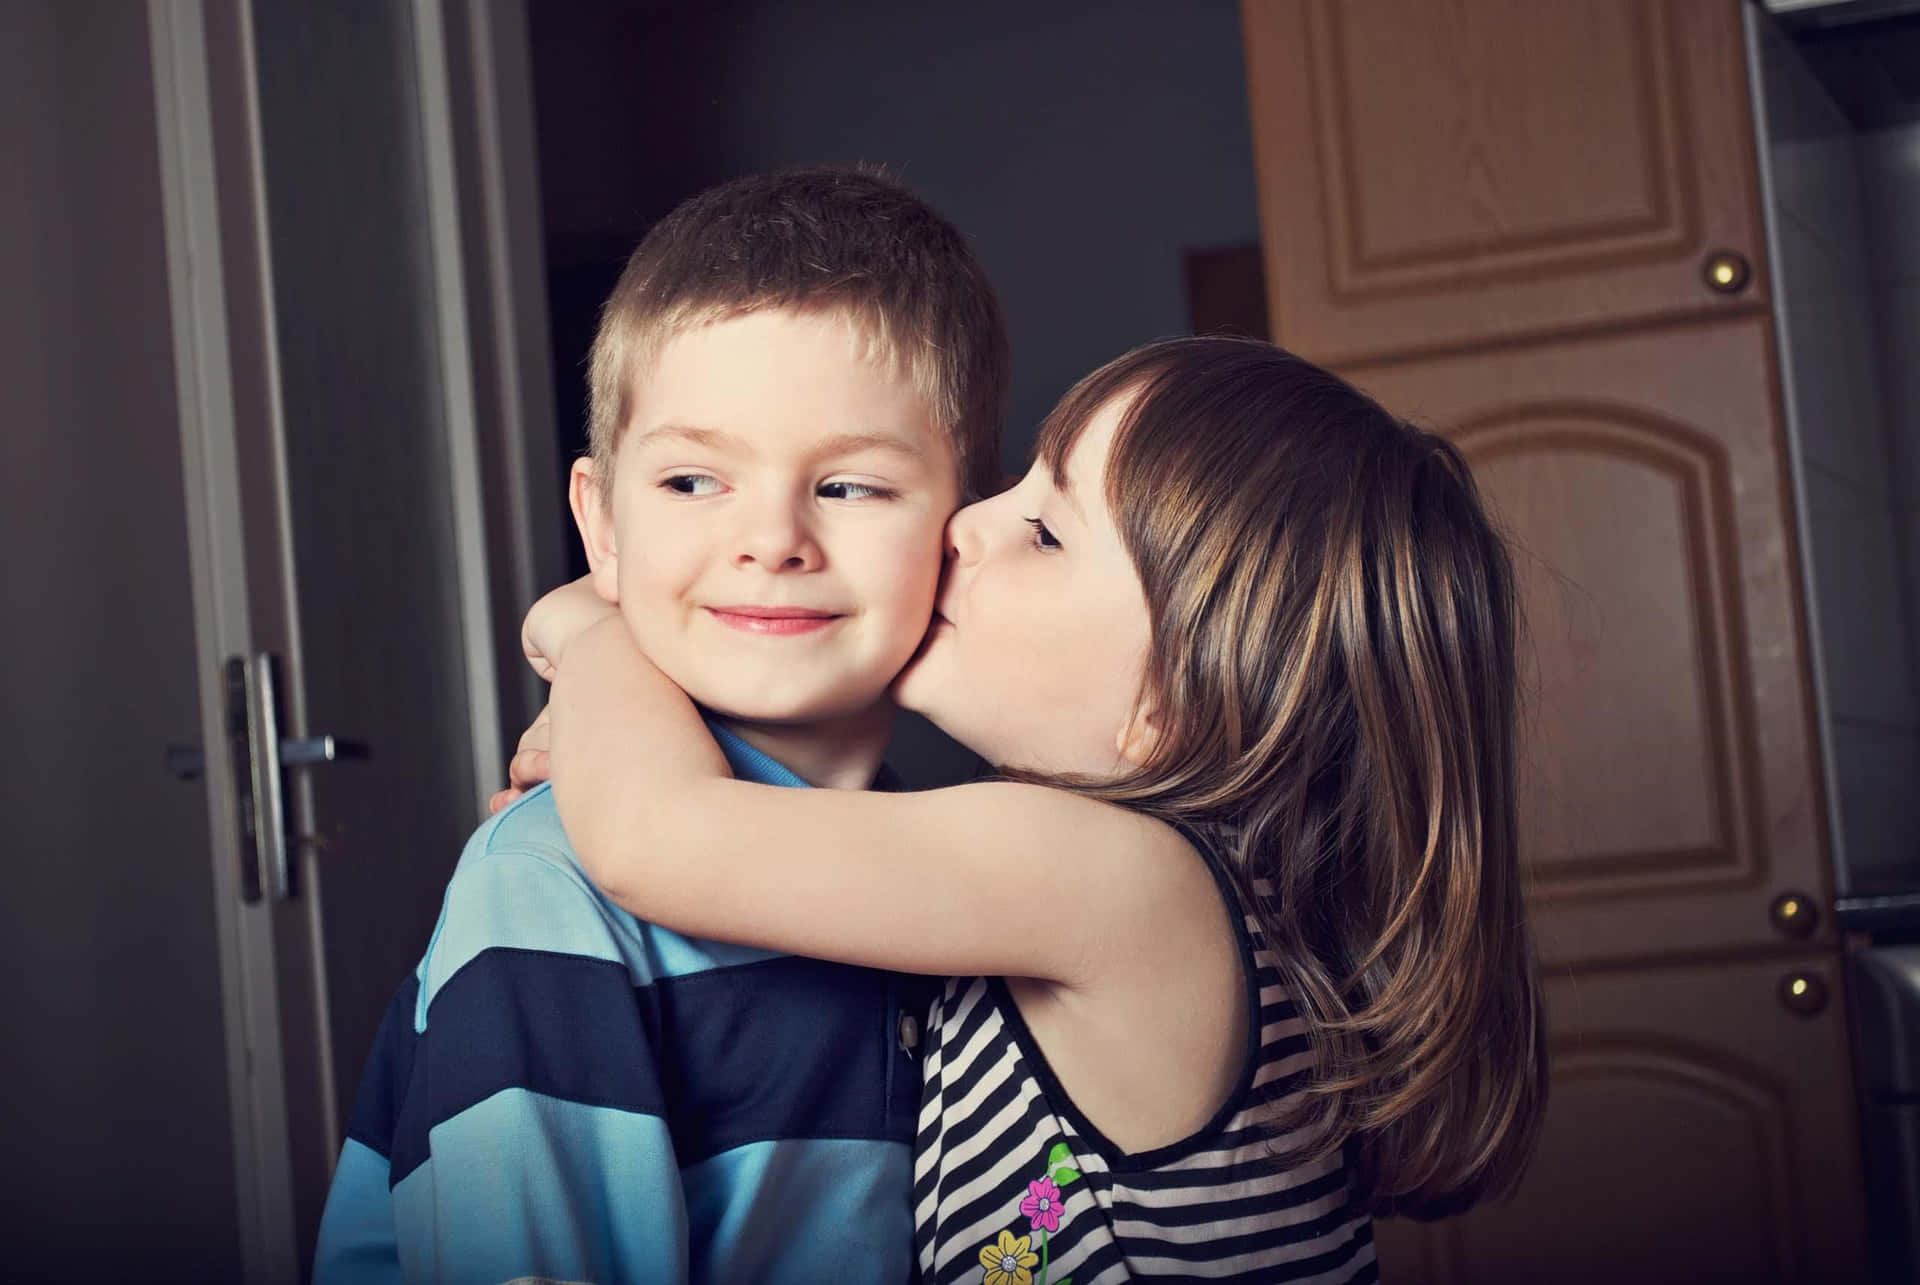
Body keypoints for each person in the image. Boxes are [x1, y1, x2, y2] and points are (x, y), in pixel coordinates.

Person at [515, 335, 1550, 1284]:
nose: (965, 523)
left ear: (1170, 702)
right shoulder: (1170, 897)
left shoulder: (1118, 880)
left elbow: (655, 838)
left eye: (1045, 531)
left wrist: (595, 640)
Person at [310, 165, 1010, 1284]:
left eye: (850, 487)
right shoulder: (547, 887)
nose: (771, 537)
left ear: (966, 528)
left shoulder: (957, 878)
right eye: (693, 480)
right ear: (603, 524)